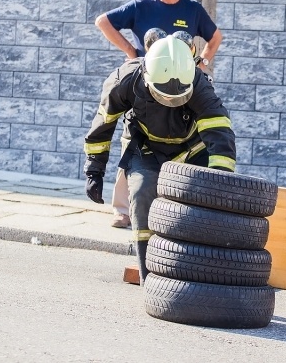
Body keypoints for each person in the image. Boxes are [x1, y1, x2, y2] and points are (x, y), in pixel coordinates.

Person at [83, 36, 236, 284]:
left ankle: (198, 270)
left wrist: (220, 179)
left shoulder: (199, 83)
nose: (171, 102)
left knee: (201, 205)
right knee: (142, 194)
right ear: (147, 76)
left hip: (192, 149)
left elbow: (219, 131)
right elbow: (103, 125)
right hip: (146, 148)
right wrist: (94, 170)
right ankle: (150, 279)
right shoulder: (125, 80)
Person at [95, 0, 224, 228]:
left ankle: (176, 207)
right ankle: (123, 210)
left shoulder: (192, 9)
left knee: (186, 141)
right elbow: (103, 21)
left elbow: (215, 37)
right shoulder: (141, 6)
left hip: (181, 88)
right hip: (145, 85)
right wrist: (131, 52)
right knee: (132, 141)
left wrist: (203, 62)